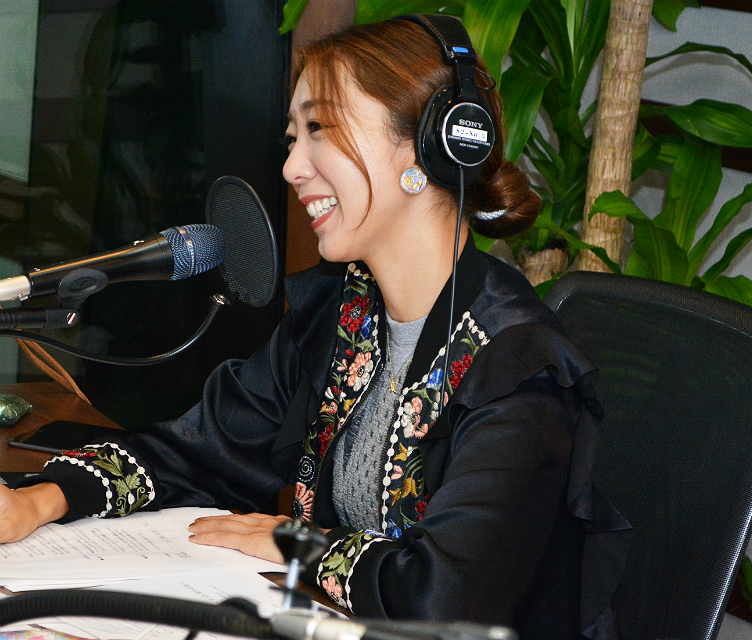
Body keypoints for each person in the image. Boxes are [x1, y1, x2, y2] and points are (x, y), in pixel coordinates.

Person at [0, 15, 628, 640]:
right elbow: (200, 450)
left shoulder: (517, 366)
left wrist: (297, 544)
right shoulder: (340, 313)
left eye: (320, 129)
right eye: (292, 137)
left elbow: (443, 595)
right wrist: (39, 500)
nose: (292, 166)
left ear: (424, 146)